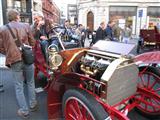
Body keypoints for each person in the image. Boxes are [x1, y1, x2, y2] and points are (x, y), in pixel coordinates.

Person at [0, 9, 37, 118]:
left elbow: (1, 47)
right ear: (17, 16)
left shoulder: (2, 29)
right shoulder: (26, 26)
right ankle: (33, 104)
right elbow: (33, 42)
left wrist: (9, 52)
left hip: (14, 59)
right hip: (27, 57)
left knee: (18, 86)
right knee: (30, 82)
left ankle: (25, 111)